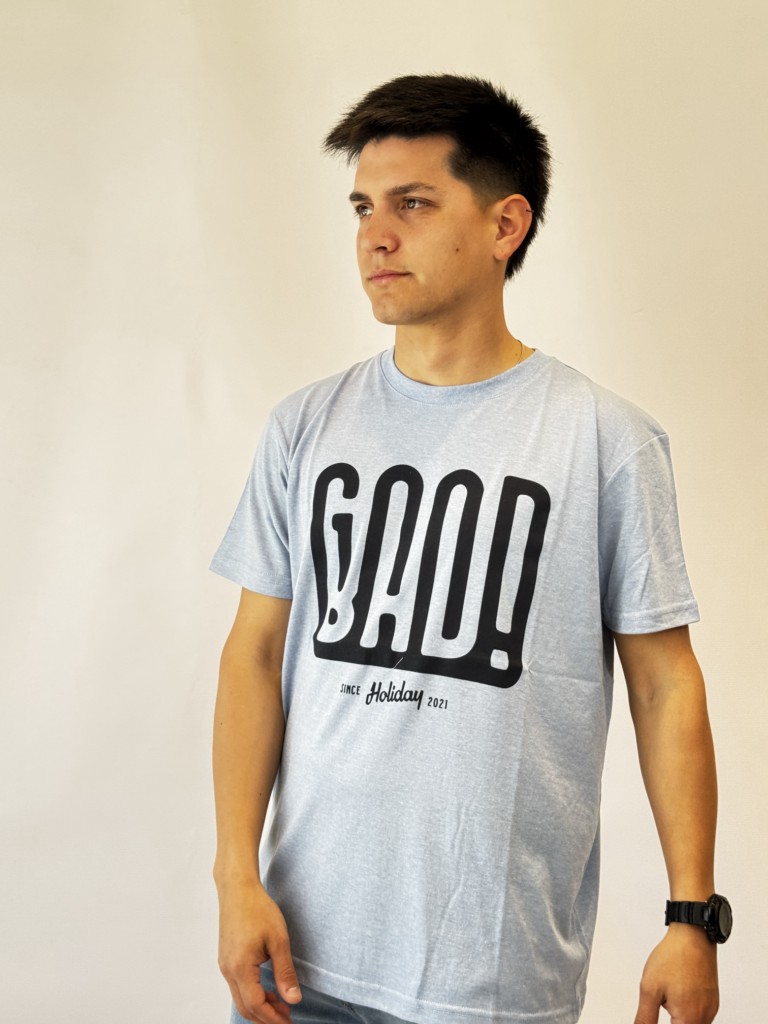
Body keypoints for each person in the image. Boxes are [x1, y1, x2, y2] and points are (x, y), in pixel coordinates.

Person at [211, 74, 728, 1024]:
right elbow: (254, 654)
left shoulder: (604, 440)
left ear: (505, 225)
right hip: (299, 959)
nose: (375, 236)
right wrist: (234, 876)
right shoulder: (305, 428)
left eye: (413, 203)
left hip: (491, 975)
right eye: (363, 207)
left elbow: (665, 684)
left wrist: (690, 916)